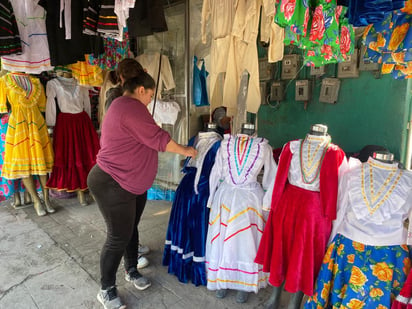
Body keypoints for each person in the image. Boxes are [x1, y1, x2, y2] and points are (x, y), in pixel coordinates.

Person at [87, 72, 197, 309]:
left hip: (131, 183)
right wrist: (186, 151)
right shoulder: (129, 107)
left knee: (129, 230)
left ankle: (131, 270)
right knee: (118, 237)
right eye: (150, 94)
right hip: (112, 182)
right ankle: (106, 289)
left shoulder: (126, 106)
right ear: (140, 90)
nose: (150, 99)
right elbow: (158, 138)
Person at [102, 58, 150, 269]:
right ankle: (127, 254)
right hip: (121, 165)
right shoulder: (116, 97)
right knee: (121, 225)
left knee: (132, 216)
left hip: (135, 164)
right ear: (122, 79)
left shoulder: (135, 94)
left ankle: (132, 250)